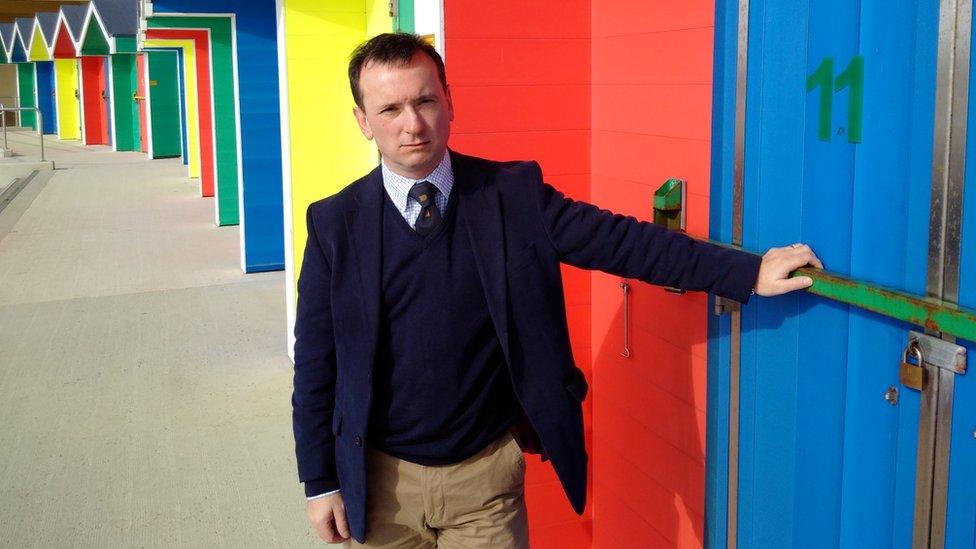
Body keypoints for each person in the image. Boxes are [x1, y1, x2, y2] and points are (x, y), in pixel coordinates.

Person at [292, 33, 823, 547]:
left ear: (450, 102)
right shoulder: (336, 225)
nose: (413, 124)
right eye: (389, 110)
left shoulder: (512, 197)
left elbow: (623, 242)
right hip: (381, 482)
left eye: (426, 100)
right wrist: (319, 481)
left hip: (483, 480)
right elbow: (317, 363)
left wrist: (745, 272)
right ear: (363, 121)